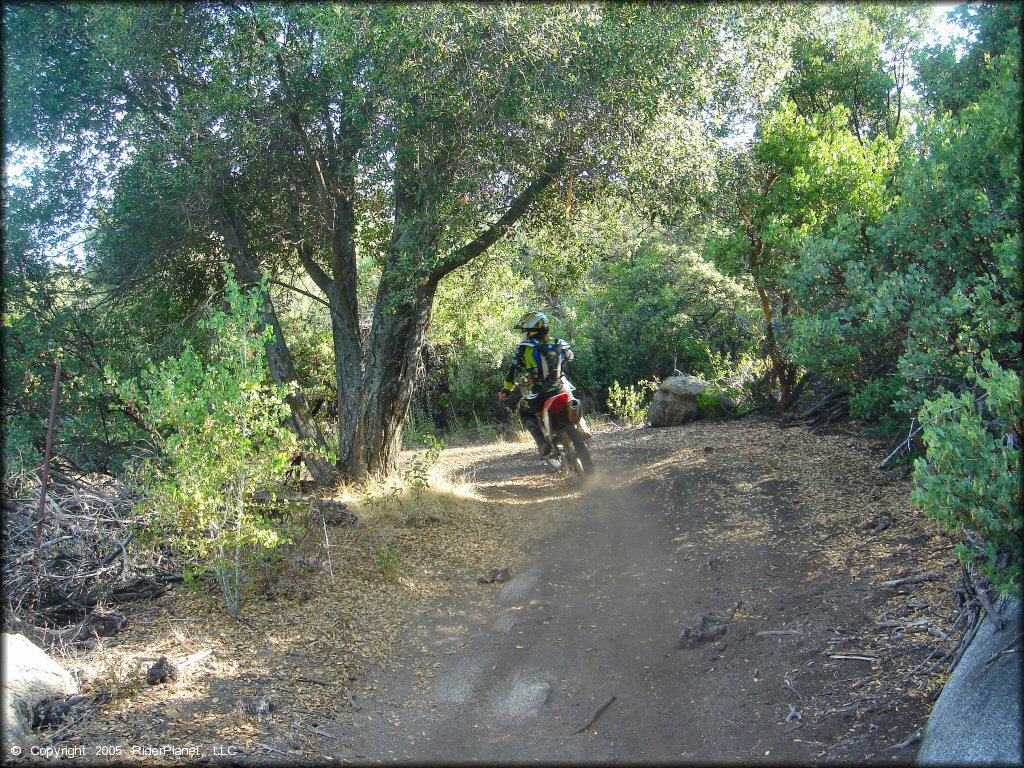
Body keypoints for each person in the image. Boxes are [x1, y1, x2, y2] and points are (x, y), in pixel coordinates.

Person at [498, 311, 575, 459]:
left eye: (525, 331)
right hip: (561, 387)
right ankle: (582, 427)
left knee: (523, 410)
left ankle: (542, 444)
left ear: (533, 329)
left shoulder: (525, 348)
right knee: (572, 399)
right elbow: (570, 357)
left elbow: (512, 372)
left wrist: (505, 391)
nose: (524, 334)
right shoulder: (559, 343)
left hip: (541, 394)